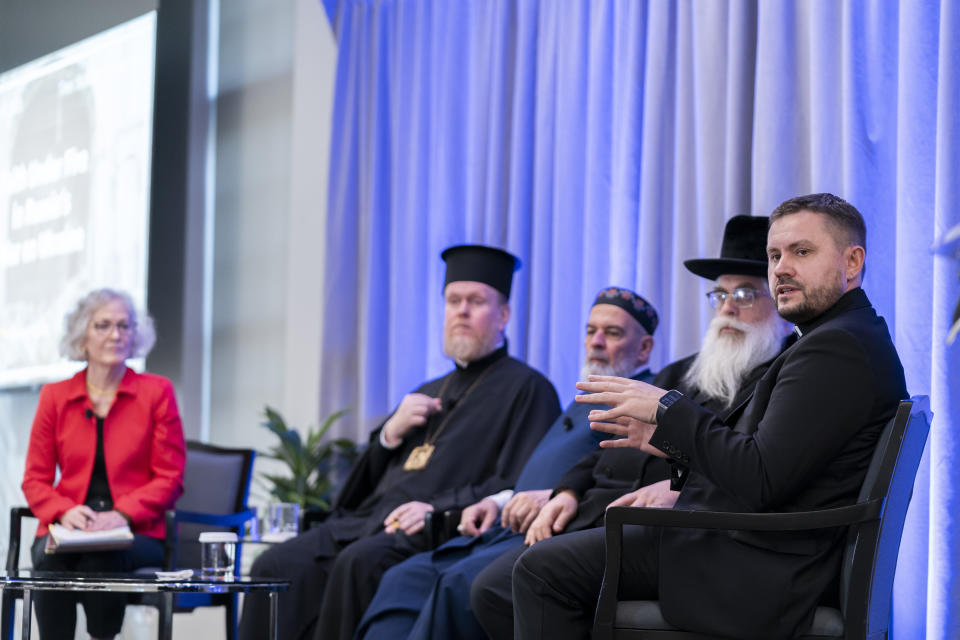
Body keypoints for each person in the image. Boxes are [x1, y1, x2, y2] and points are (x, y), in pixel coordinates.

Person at [512, 194, 908, 640]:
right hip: (757, 546)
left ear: (852, 261)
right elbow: (765, 462)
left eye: (802, 251)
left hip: (758, 563)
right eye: (775, 255)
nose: (780, 269)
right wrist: (666, 439)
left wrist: (667, 410)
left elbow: (759, 477)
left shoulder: (835, 348)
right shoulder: (840, 337)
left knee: (541, 571)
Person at [470, 214, 794, 639]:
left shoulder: (781, 377)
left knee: (496, 585)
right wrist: (567, 490)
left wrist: (681, 487)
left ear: (779, 298)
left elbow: (752, 462)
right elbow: (609, 443)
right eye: (719, 295)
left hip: (659, 529)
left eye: (745, 294)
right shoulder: (682, 372)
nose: (728, 307)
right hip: (592, 510)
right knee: (486, 585)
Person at [240, 245, 562, 640]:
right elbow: (356, 490)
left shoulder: (529, 389)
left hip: (435, 527)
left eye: (476, 302)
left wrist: (436, 507)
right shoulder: (426, 391)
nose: (461, 311)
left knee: (358, 563)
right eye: (453, 300)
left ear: (504, 316)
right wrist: (391, 433)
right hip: (369, 520)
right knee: (275, 563)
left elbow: (518, 482)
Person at [355, 287, 663, 640]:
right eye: (590, 331)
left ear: (645, 348)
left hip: (555, 529)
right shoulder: (582, 398)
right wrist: (496, 500)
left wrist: (558, 494)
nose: (595, 342)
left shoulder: (641, 402)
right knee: (405, 577)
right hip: (505, 524)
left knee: (457, 584)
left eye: (612, 333)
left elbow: (614, 477)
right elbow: (532, 476)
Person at [21, 289, 186, 640]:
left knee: (101, 559)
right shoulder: (55, 396)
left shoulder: (157, 392)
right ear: (83, 335)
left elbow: (169, 477)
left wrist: (123, 513)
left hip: (135, 529)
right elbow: (35, 479)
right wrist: (64, 511)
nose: (116, 335)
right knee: (51, 562)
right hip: (68, 525)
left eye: (125, 326)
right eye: (104, 325)